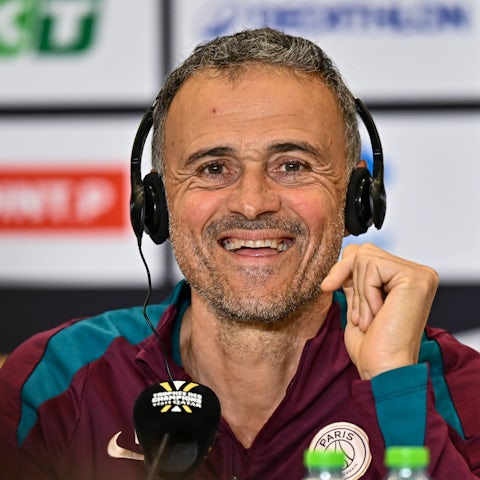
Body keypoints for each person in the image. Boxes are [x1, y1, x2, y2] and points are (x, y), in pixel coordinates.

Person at [0, 27, 479, 480]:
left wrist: (396, 387)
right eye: (213, 168)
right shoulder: (55, 380)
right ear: (159, 203)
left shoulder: (458, 387)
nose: (252, 202)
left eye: (292, 165)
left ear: (356, 196)